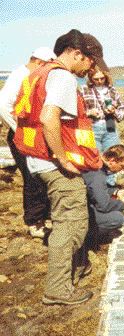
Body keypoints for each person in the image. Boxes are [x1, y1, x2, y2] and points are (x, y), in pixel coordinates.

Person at [13, 29, 108, 305]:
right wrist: (63, 158)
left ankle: (76, 269)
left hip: (37, 160)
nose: (91, 67)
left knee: (68, 218)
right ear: (77, 54)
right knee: (71, 224)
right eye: (90, 61)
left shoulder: (39, 73)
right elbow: (48, 116)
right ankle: (57, 288)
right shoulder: (63, 77)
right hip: (54, 164)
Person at [0, 47, 56, 238]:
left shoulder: (30, 75)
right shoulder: (21, 76)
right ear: (40, 62)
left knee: (42, 176)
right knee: (33, 178)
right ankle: (35, 222)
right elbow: (3, 105)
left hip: (32, 133)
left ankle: (45, 217)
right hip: (24, 134)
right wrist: (19, 129)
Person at [81, 66, 124, 186]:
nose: (99, 81)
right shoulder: (84, 90)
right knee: (95, 159)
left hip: (110, 127)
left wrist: (114, 112)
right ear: (91, 78)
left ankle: (111, 187)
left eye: (102, 78)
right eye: (96, 79)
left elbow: (123, 108)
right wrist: (89, 113)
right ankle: (98, 188)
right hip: (92, 128)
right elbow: (78, 111)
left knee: (114, 158)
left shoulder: (112, 91)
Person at [82, 144, 124, 240]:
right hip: (78, 212)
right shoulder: (97, 174)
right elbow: (103, 206)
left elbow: (93, 191)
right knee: (117, 218)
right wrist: (122, 203)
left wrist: (115, 192)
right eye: (122, 166)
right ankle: (89, 238)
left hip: (83, 204)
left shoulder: (96, 164)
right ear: (112, 161)